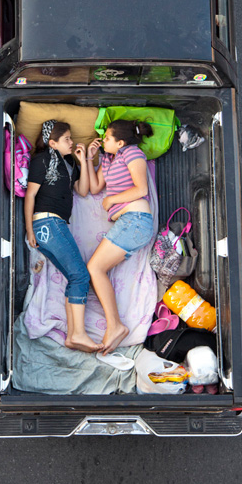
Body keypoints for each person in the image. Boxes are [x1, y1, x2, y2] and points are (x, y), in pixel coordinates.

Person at [24, 120, 102, 353]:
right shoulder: (42, 160)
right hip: (47, 222)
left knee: (75, 276)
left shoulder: (68, 162)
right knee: (80, 275)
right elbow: (30, 196)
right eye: (67, 139)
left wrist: (85, 159)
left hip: (55, 225)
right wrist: (30, 229)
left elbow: (83, 190)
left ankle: (73, 335)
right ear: (52, 143)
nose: (72, 142)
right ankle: (77, 333)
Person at [86, 119, 155, 354]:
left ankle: (115, 326)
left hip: (135, 220)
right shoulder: (109, 159)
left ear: (121, 142)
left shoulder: (132, 153)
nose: (103, 139)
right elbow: (94, 188)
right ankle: (115, 325)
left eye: (107, 137)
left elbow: (141, 189)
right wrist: (89, 157)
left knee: (95, 268)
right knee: (95, 268)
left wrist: (111, 200)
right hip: (128, 223)